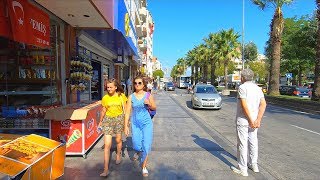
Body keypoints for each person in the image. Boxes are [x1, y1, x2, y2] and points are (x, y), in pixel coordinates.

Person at [231, 69, 267, 177]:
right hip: (255, 121)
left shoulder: (242, 87)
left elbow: (244, 105)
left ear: (242, 77)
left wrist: (251, 120)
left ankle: (243, 169)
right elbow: (263, 104)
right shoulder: (257, 88)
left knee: (242, 143)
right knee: (253, 142)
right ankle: (254, 164)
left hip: (243, 120)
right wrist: (258, 120)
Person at [124, 76, 156, 177]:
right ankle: (139, 151)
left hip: (147, 123)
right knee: (136, 144)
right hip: (135, 123)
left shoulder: (148, 95)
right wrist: (126, 126)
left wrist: (149, 104)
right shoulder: (131, 97)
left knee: (146, 145)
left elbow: (154, 107)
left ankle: (144, 166)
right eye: (135, 83)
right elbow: (128, 112)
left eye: (139, 83)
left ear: (143, 85)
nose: (137, 85)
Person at [98, 78, 127, 177]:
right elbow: (103, 110)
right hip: (108, 120)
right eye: (107, 87)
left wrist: (126, 123)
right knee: (107, 145)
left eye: (111, 87)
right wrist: (100, 122)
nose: (109, 89)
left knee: (118, 140)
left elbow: (126, 110)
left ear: (115, 87)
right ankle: (105, 169)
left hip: (119, 119)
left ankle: (118, 154)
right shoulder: (105, 98)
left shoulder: (121, 96)